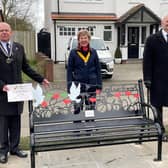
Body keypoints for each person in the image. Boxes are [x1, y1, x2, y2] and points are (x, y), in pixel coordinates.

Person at [0, 22, 49, 164]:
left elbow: (26, 68)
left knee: (16, 121)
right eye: (1, 30)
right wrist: (2, 86)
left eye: (6, 30)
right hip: (2, 93)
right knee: (3, 123)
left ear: (11, 32)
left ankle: (15, 148)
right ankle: (3, 151)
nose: (4, 32)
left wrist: (41, 79)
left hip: (17, 93)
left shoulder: (18, 48)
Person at [143, 15, 168, 139]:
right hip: (157, 79)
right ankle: (160, 131)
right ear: (161, 23)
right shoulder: (152, 39)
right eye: (166, 21)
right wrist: (147, 78)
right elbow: (147, 61)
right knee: (157, 106)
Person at [67, 29, 102, 116]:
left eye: (85, 38)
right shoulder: (73, 53)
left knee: (90, 109)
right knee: (77, 110)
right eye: (81, 38)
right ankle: (77, 127)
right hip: (77, 86)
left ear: (89, 39)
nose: (83, 40)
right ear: (78, 40)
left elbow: (98, 69)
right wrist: (69, 85)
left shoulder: (93, 52)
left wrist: (99, 85)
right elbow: (69, 70)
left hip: (92, 86)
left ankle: (89, 128)